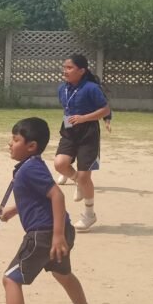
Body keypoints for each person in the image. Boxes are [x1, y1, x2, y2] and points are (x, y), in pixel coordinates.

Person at [0, 117, 97, 304]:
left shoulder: (30, 168)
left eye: (15, 140)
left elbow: (57, 196)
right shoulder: (31, 165)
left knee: (10, 280)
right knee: (62, 273)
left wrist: (56, 236)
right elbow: (38, 197)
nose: (10, 144)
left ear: (31, 146)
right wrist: (15, 210)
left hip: (44, 235)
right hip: (59, 230)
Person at [51, 55, 110, 232]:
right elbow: (67, 108)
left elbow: (105, 109)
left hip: (88, 133)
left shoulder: (91, 88)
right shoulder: (62, 88)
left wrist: (85, 118)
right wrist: (71, 121)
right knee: (60, 164)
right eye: (64, 67)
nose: (65, 71)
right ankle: (77, 180)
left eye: (69, 68)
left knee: (85, 177)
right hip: (69, 130)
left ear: (82, 71)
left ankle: (89, 214)